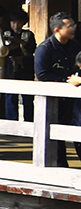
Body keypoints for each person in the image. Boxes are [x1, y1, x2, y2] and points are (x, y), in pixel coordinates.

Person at [36, 13, 81, 165]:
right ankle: (61, 167)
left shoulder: (75, 46)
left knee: (77, 130)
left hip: (74, 99)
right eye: (70, 26)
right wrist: (67, 82)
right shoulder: (45, 48)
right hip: (55, 99)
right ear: (57, 30)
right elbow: (42, 74)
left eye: (73, 25)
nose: (73, 28)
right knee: (56, 135)